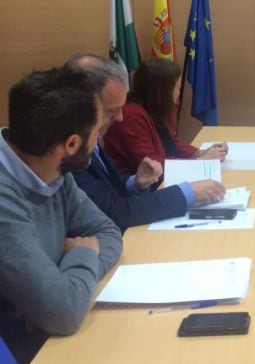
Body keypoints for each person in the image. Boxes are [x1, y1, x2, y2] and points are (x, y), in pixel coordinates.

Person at [0, 67, 123, 364]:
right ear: (71, 144)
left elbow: (107, 231)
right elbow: (63, 313)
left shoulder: (52, 169)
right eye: (97, 131)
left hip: (43, 339)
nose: (99, 139)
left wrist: (58, 284)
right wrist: (78, 260)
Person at [68, 54, 226, 232]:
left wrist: (135, 183)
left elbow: (109, 189)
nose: (120, 117)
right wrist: (187, 193)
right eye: (111, 111)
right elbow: (115, 212)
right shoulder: (71, 152)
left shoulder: (93, 139)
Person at [103, 58, 228, 175]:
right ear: (162, 91)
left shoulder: (150, 107)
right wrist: (199, 162)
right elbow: (152, 165)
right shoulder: (130, 116)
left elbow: (169, 143)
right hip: (140, 190)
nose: (179, 93)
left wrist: (199, 153)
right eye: (177, 88)